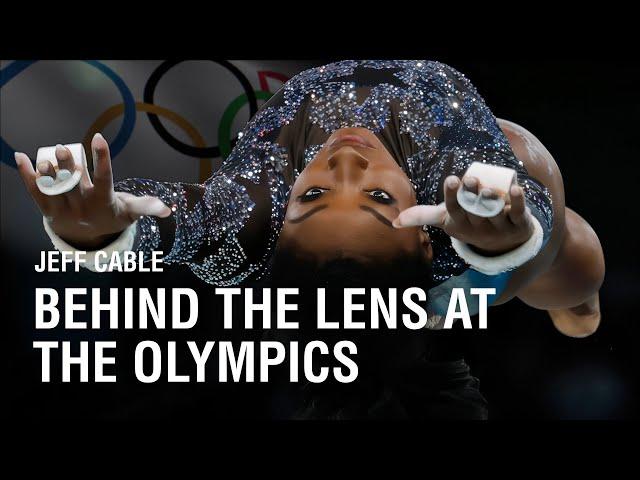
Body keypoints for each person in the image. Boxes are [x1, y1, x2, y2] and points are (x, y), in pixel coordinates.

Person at [13, 60, 605, 418]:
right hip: (478, 236)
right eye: (378, 200)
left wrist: (101, 225)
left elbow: (166, 221)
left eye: (313, 196)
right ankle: (576, 304)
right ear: (424, 239)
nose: (345, 164)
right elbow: (515, 210)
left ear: (276, 233)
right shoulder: (450, 202)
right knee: (568, 269)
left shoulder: (247, 229)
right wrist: (509, 236)